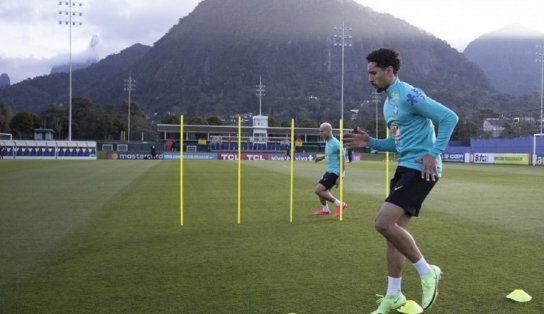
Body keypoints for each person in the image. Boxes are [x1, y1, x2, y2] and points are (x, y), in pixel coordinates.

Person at [344, 48, 458, 314]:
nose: (370, 78)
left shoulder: (409, 94)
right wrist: (370, 142)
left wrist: (434, 152)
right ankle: (393, 295)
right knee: (392, 234)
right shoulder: (388, 103)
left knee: (382, 223)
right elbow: (397, 144)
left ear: (389, 71)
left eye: (373, 73)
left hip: (422, 170)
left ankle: (428, 272)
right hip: (404, 167)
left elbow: (449, 117)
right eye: (369, 73)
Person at [313, 122, 347, 218]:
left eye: (322, 131)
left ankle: (340, 204)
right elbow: (330, 154)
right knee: (322, 190)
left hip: (335, 172)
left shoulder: (336, 144)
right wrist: (322, 157)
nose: (320, 133)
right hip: (330, 171)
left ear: (328, 131)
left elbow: (344, 163)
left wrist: (339, 178)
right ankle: (325, 210)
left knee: (318, 190)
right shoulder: (328, 141)